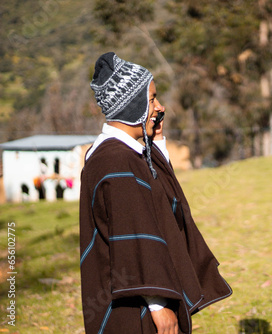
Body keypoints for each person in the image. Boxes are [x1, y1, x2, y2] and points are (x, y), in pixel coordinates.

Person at [80, 52, 232, 334]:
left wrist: (158, 139)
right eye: (151, 99)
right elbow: (135, 239)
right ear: (132, 105)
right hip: (135, 309)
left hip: (141, 298)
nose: (159, 106)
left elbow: (164, 197)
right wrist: (159, 306)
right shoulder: (116, 162)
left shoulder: (120, 154)